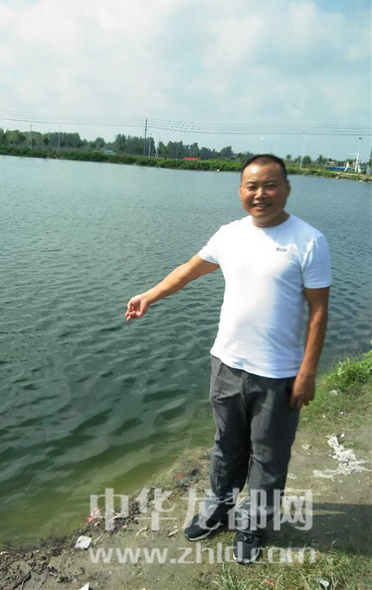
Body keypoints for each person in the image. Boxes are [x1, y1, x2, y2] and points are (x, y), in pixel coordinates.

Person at [125, 154, 331, 564]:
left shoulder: (309, 241)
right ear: (240, 191)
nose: (261, 194)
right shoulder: (229, 235)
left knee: (268, 455)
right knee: (226, 445)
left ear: (286, 189)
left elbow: (319, 311)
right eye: (252, 186)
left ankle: (253, 525)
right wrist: (149, 295)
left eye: (270, 185)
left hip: (279, 374)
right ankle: (218, 509)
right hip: (227, 364)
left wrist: (308, 371)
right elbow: (186, 271)